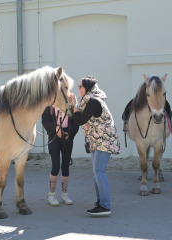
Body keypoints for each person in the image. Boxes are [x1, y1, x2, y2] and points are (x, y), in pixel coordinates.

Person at [70, 76, 121, 216]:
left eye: (80, 86)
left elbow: (80, 120)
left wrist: (74, 106)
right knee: (96, 172)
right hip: (97, 141)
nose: (78, 89)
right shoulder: (89, 100)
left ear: (87, 88)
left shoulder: (93, 102)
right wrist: (74, 107)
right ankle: (100, 203)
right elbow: (78, 117)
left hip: (104, 141)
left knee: (99, 171)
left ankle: (105, 206)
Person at [42, 106, 79, 206]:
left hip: (67, 137)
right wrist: (56, 128)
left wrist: (70, 134)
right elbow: (45, 121)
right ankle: (51, 195)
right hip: (54, 137)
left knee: (66, 165)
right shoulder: (50, 105)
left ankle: (64, 194)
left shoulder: (70, 105)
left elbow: (76, 122)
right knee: (56, 166)